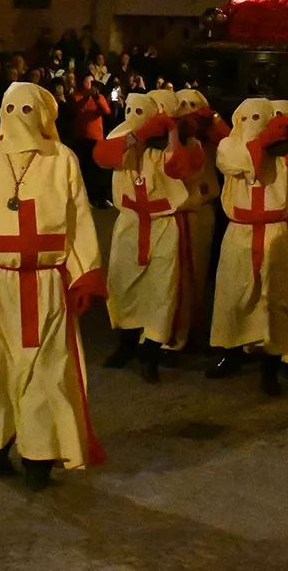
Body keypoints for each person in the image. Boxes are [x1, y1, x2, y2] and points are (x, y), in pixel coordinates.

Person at [0, 81, 106, 490]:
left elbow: (78, 218)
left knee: (45, 370)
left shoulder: (62, 159)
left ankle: (37, 455)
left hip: (45, 284)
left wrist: (85, 274)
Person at [209, 97, 288, 395]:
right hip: (240, 231)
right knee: (233, 295)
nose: (252, 125)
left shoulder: (282, 147)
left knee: (274, 302)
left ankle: (271, 367)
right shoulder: (230, 146)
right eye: (247, 118)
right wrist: (263, 143)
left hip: (274, 231)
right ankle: (229, 353)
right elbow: (240, 161)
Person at [95, 92, 199, 380]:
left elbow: (183, 167)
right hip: (130, 223)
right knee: (123, 285)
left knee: (160, 290)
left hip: (163, 224)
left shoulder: (176, 137)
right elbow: (102, 155)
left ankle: (150, 353)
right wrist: (137, 136)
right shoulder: (125, 134)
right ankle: (126, 344)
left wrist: (171, 134)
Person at [175, 87, 228, 338]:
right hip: (173, 210)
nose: (188, 109)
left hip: (202, 206)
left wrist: (212, 119)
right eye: (182, 103)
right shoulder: (171, 135)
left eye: (193, 104)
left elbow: (229, 142)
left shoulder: (211, 135)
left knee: (196, 270)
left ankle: (192, 325)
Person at [67, 75, 113, 208]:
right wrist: (87, 98)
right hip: (81, 137)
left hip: (96, 138)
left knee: (97, 169)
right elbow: (76, 110)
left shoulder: (99, 97)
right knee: (84, 169)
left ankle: (100, 197)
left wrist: (97, 98)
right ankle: (86, 198)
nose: (91, 84)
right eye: (89, 81)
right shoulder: (76, 96)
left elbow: (106, 111)